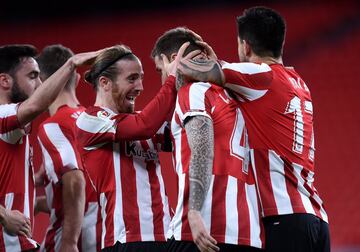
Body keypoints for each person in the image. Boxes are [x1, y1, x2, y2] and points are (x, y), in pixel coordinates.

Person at [178, 6, 330, 252]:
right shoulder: (299, 83)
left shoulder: (261, 76)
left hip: (283, 217)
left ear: (245, 46)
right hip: (316, 218)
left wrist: (183, 59)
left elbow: (190, 70)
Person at [151, 27, 264, 252]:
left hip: (202, 231)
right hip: (247, 234)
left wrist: (193, 211)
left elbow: (201, 149)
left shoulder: (194, 91)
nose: (162, 77)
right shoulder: (236, 95)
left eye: (159, 69)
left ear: (174, 60)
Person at [75, 44, 196, 251]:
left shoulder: (139, 121)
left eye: (140, 77)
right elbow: (145, 126)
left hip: (165, 237)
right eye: (131, 79)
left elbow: (181, 132)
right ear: (104, 83)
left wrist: (188, 81)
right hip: (127, 241)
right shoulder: (89, 120)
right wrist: (171, 80)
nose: (140, 86)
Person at [0, 44, 102, 251]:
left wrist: (35, 186)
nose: (40, 84)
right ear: (5, 81)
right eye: (32, 76)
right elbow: (35, 105)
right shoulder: (3, 115)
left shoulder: (16, 130)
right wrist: (71, 64)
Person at [35, 44, 100, 252]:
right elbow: (91, 191)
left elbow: (75, 180)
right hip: (106, 234)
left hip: (76, 239)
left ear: (42, 85)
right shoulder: (96, 120)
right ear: (78, 80)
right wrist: (39, 203)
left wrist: (70, 242)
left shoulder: (54, 126)